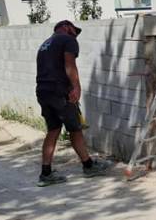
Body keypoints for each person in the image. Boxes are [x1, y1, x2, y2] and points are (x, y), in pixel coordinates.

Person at [35, 20, 107, 186]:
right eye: (75, 30)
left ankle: (46, 173)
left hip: (43, 91)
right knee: (75, 129)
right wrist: (76, 87)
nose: (76, 35)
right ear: (66, 27)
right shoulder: (68, 40)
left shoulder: (45, 44)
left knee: (53, 130)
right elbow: (70, 64)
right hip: (60, 92)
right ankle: (88, 166)